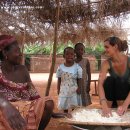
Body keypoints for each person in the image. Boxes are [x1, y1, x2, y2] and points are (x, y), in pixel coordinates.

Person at [0, 35, 55, 130]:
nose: (21, 54)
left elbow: (33, 92)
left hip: (25, 109)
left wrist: (48, 110)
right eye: (17, 51)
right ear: (5, 52)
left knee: (48, 103)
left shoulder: (23, 69)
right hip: (5, 111)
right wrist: (5, 105)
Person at [98, 36, 130, 117]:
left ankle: (122, 110)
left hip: (127, 98)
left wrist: (125, 104)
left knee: (121, 80)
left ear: (115, 47)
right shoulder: (106, 63)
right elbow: (100, 84)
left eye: (107, 47)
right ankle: (108, 111)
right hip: (114, 99)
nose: (105, 50)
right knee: (109, 80)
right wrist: (103, 103)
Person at [56, 47, 82, 113]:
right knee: (65, 105)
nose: (69, 56)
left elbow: (79, 79)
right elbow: (59, 79)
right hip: (63, 89)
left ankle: (74, 117)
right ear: (63, 56)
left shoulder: (77, 67)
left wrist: (79, 88)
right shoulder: (60, 67)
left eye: (71, 54)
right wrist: (58, 89)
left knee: (74, 105)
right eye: (67, 54)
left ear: (74, 56)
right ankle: (66, 115)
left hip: (74, 90)